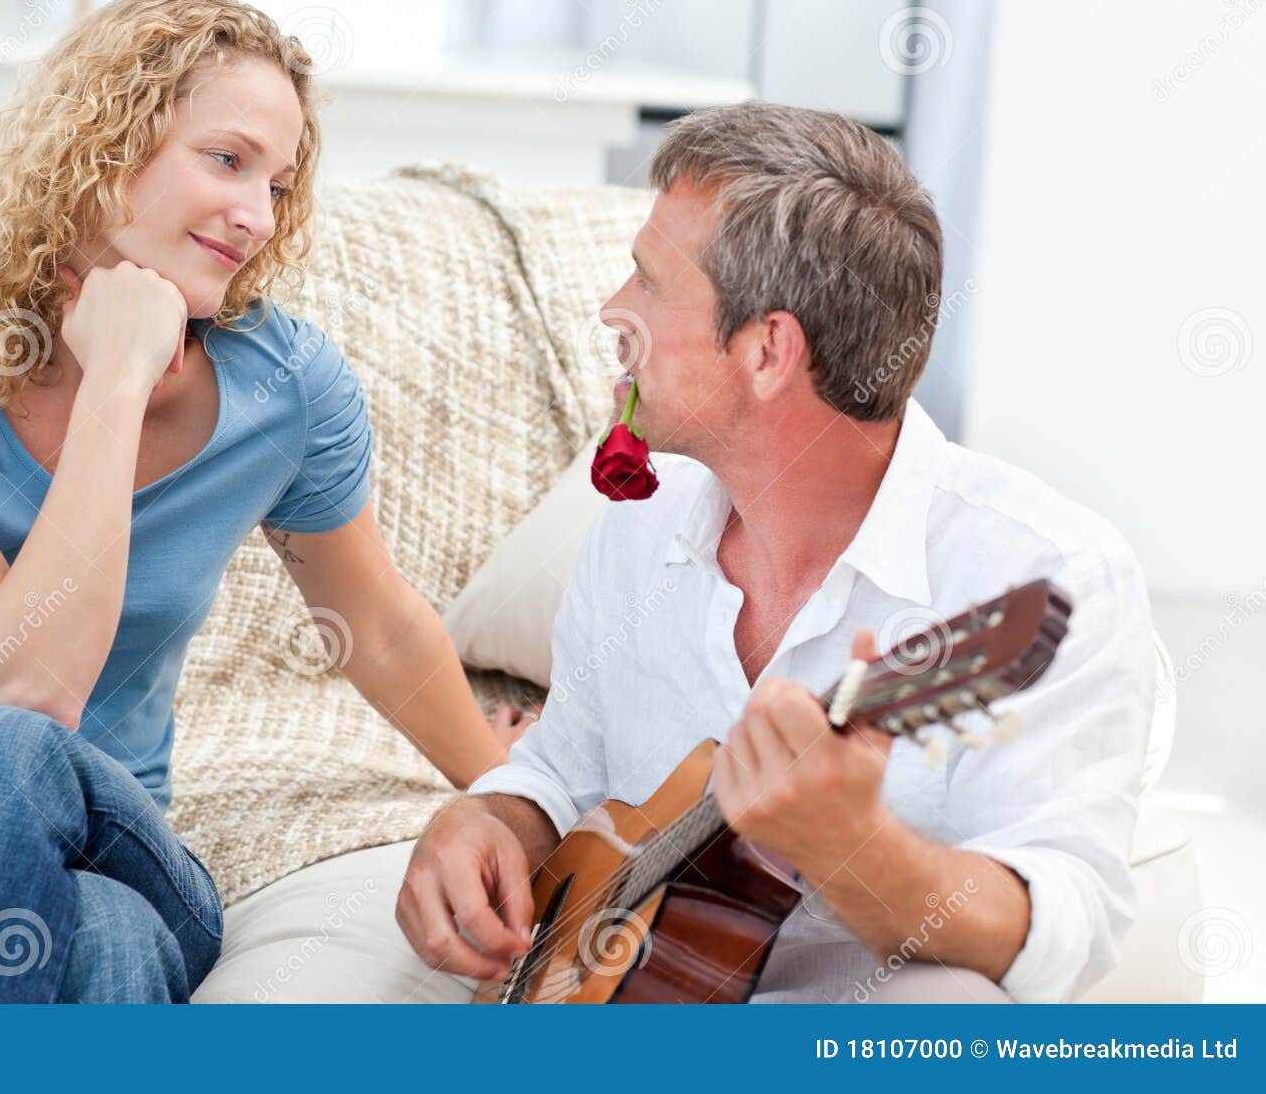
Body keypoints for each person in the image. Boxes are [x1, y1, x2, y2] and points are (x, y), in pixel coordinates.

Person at [0, 0, 524, 1004]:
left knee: (50, 815)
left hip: (110, 831)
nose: (255, 214)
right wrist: (117, 386)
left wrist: (520, 793)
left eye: (276, 182)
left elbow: (375, 622)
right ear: (102, 150)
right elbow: (22, 681)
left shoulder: (283, 388)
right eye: (226, 160)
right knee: (93, 922)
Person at [395, 101, 1157, 1004]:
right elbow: (566, 765)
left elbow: (1067, 919)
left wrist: (857, 848)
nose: (612, 310)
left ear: (766, 350)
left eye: (648, 283)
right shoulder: (648, 518)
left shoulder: (1044, 573)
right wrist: (491, 817)